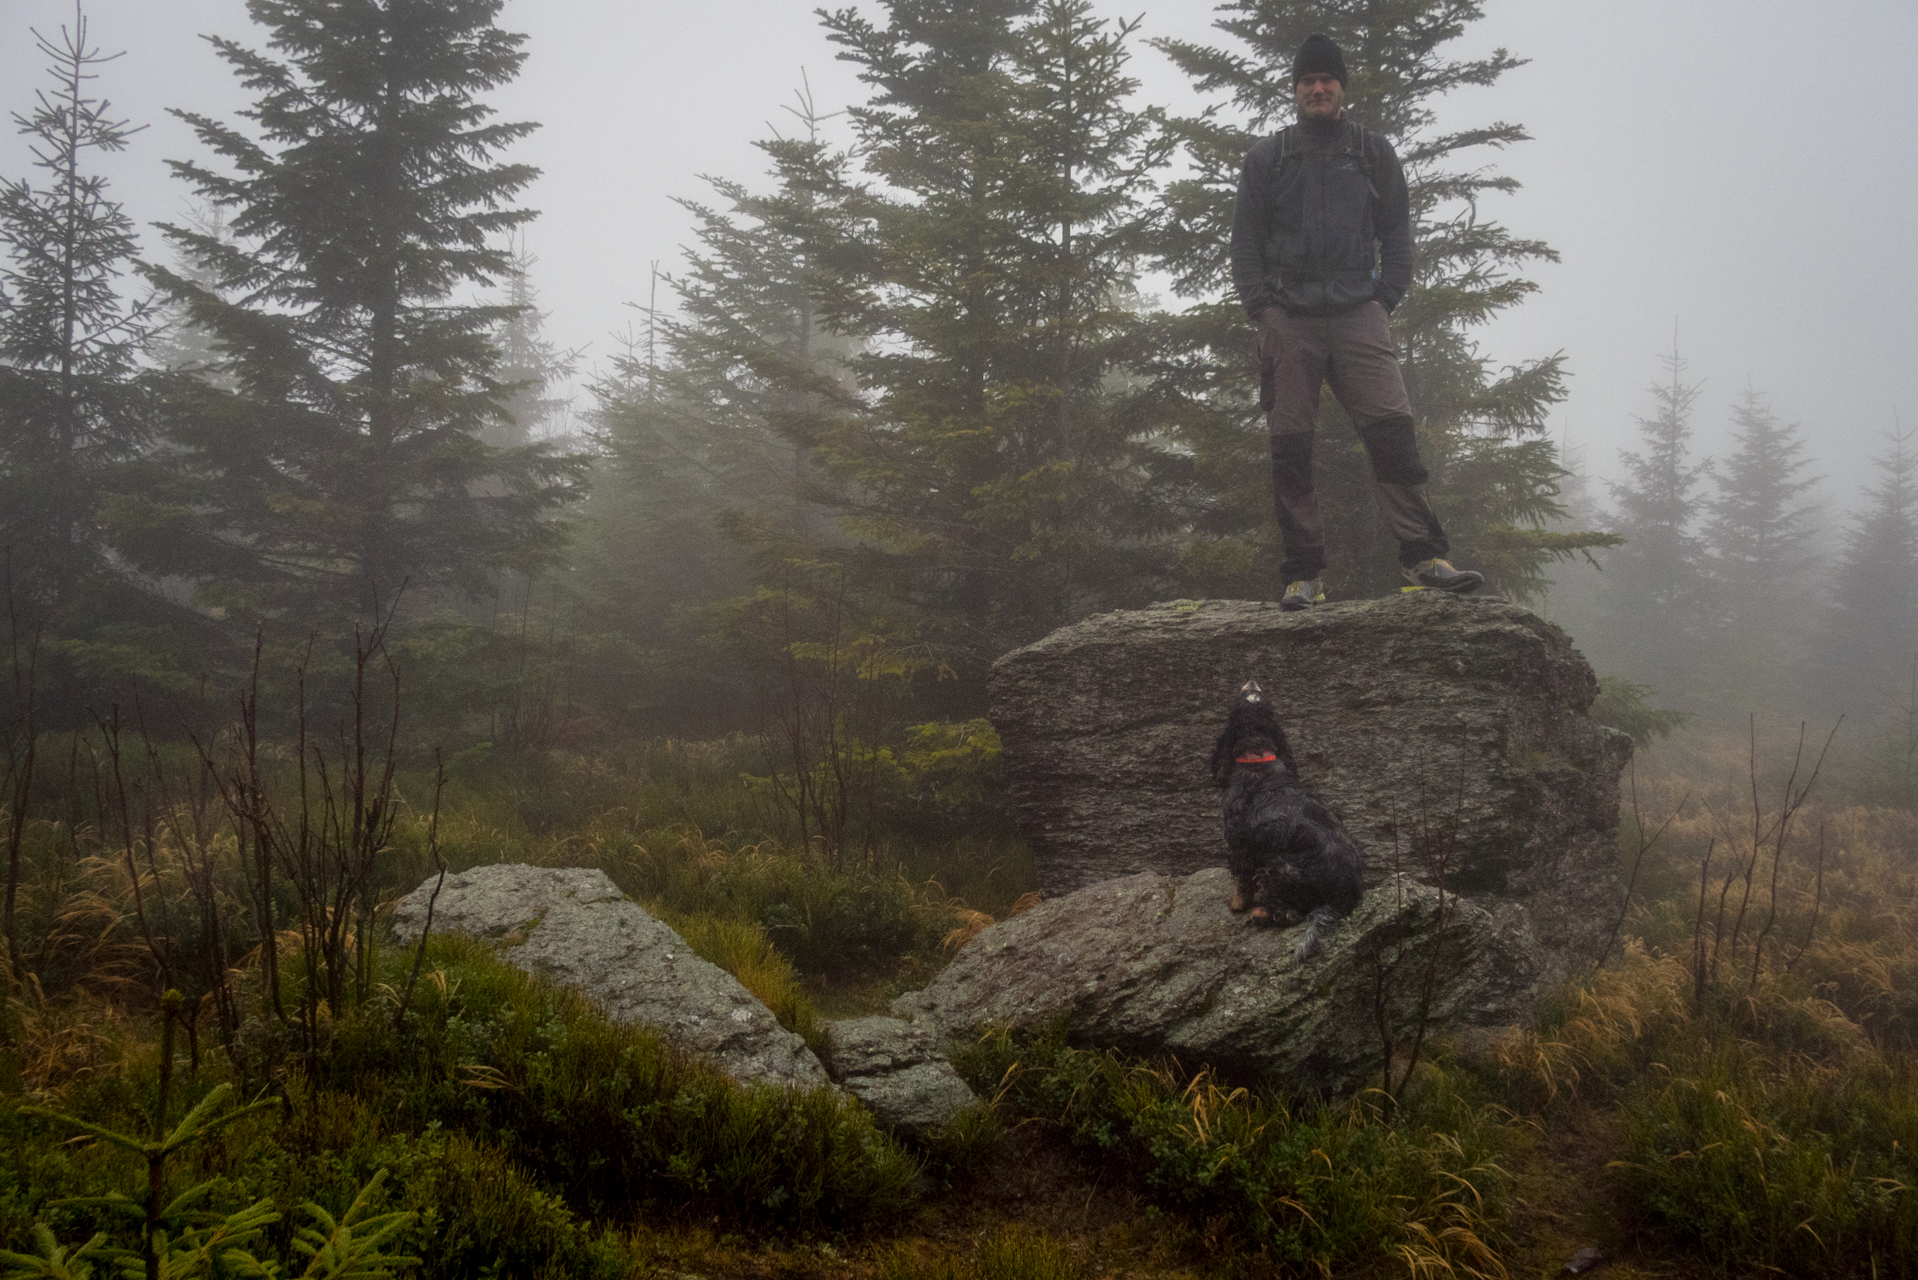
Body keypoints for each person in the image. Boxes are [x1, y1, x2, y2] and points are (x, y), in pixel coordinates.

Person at [1230, 32, 1483, 611]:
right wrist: (1262, 310)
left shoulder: (1373, 152)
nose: (1318, 89)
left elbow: (1397, 237)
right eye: (1308, 81)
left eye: (1327, 80)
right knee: (1290, 447)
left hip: (1357, 317)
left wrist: (1382, 299)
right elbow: (1244, 244)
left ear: (1342, 87)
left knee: (1393, 434)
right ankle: (1304, 575)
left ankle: (1425, 559)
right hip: (1288, 321)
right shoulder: (1268, 158)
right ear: (1295, 90)